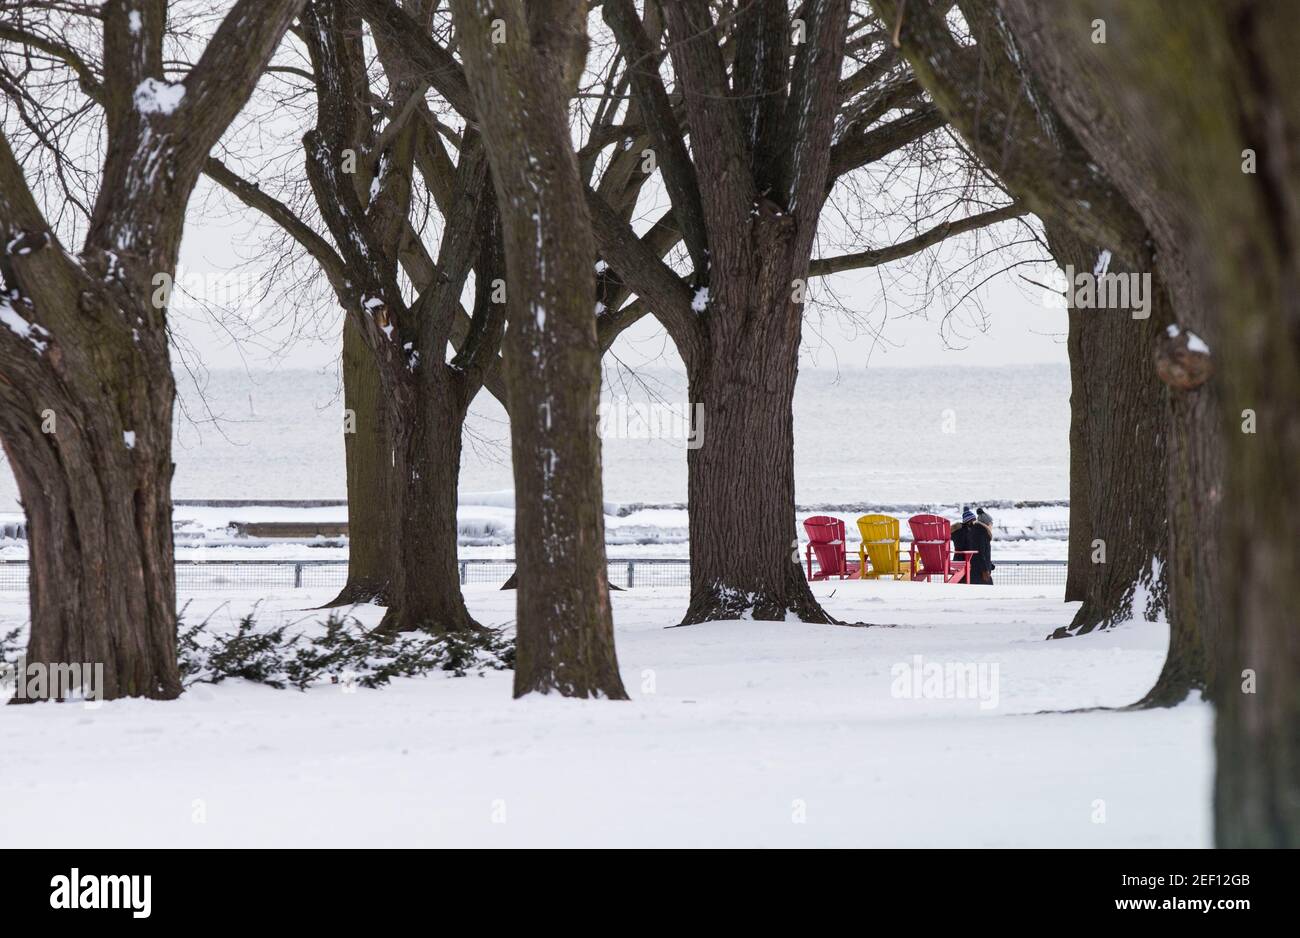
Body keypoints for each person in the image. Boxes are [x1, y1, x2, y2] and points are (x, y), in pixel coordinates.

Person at [951, 505, 994, 585]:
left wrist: (988, 564)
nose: (975, 523)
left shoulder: (961, 532)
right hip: (968, 563)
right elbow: (979, 552)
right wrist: (985, 568)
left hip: (961, 561)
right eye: (974, 521)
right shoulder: (972, 533)